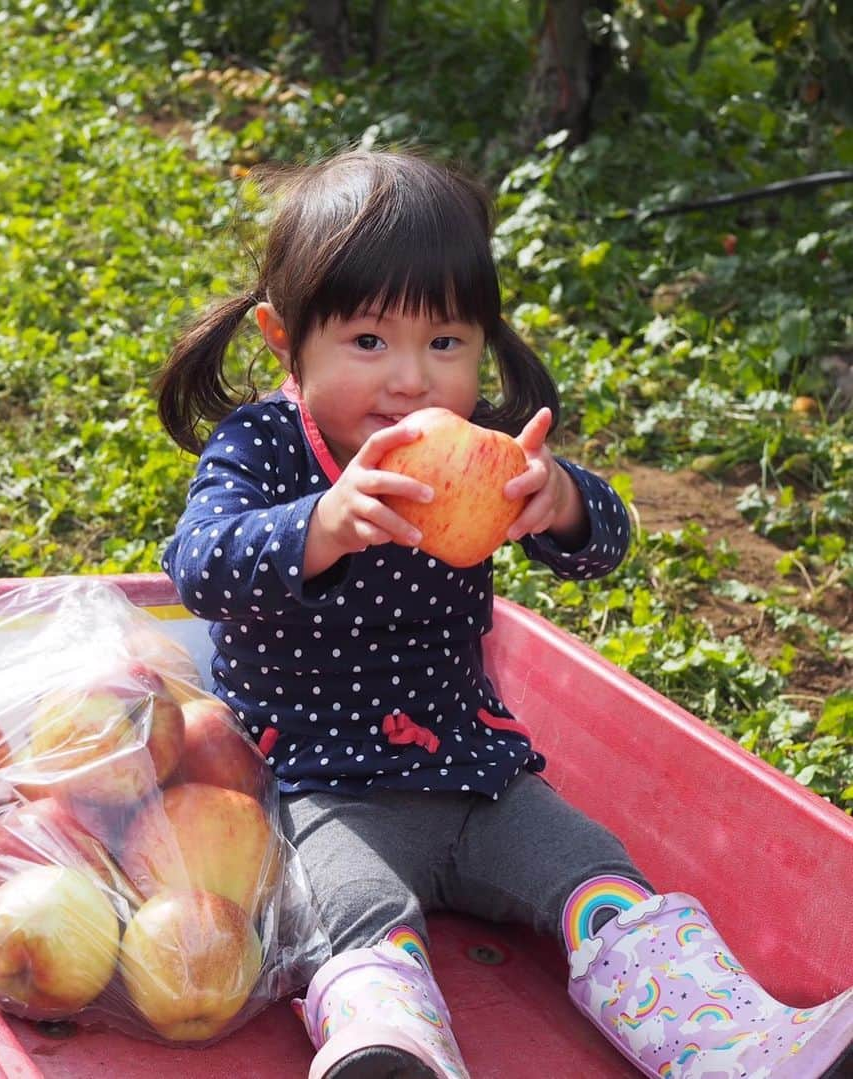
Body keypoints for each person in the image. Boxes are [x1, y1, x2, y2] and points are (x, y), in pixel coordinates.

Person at [155, 149, 852, 1079]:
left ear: (482, 339)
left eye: (445, 342)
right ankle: (391, 1048)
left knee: (598, 874)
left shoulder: (484, 444)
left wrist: (559, 500)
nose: (411, 380)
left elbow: (607, 546)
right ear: (287, 339)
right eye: (369, 342)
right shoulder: (268, 446)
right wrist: (316, 526)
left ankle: (730, 1045)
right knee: (347, 905)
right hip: (323, 781)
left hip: (478, 770)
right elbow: (197, 566)